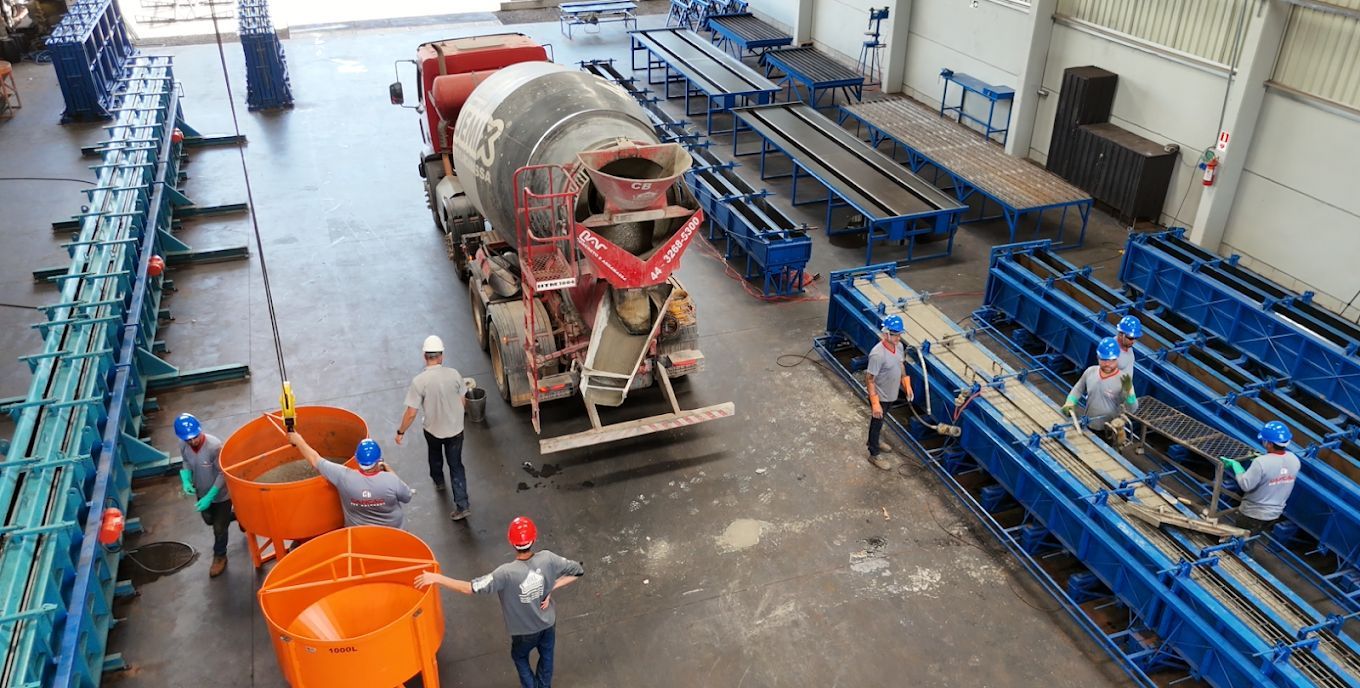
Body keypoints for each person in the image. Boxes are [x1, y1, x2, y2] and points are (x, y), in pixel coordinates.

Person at [415, 517, 584, 688]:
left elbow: (469, 588)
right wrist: (550, 588)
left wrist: (437, 578)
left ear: (511, 542)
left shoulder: (505, 574)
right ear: (534, 539)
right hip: (548, 624)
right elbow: (578, 570)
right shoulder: (548, 558)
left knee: (519, 656)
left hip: (524, 631)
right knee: (547, 657)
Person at [396, 335, 471, 521]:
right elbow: (463, 401)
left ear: (424, 356)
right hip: (455, 431)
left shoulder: (419, 382)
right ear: (441, 356)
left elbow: (411, 413)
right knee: (456, 465)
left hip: (433, 431)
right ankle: (462, 505)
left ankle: (438, 481)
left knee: (435, 456)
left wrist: (400, 432)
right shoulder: (454, 374)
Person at [287, 432, 414, 529]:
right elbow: (407, 496)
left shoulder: (344, 477)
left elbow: (315, 459)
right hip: (394, 533)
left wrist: (298, 440)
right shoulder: (390, 481)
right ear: (378, 460)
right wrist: (388, 469)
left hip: (358, 537)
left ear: (357, 459)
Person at [175, 413, 233, 578]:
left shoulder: (214, 446)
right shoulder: (183, 444)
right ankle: (236, 516)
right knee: (209, 520)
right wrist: (186, 479)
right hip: (201, 491)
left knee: (219, 528)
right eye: (188, 439)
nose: (193, 441)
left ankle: (220, 556)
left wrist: (211, 495)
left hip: (221, 495)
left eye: (195, 437)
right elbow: (186, 461)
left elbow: (223, 473)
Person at [1220, 420, 1300, 534]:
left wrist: (1236, 465)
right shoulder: (1294, 459)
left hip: (1253, 514)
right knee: (1254, 535)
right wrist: (1264, 459)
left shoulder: (1261, 462)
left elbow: (1245, 485)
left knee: (1241, 540)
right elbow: (1277, 467)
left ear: (1270, 444)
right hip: (1274, 514)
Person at [865, 315, 916, 471]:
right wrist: (875, 404)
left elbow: (900, 364)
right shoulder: (877, 354)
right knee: (877, 422)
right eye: (895, 334)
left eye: (899, 334)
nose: (898, 337)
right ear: (885, 333)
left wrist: (906, 384)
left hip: (891, 393)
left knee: (882, 420)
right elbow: (869, 379)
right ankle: (874, 453)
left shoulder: (898, 346)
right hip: (880, 396)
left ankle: (877, 440)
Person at [1061, 337, 1137, 432]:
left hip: (1109, 430)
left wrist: (1130, 394)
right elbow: (1078, 389)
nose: (1107, 364)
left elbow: (1132, 408)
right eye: (1104, 360)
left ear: (1117, 358)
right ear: (1098, 357)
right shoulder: (1090, 372)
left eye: (1112, 360)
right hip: (1088, 425)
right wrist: (1070, 402)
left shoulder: (1124, 380)